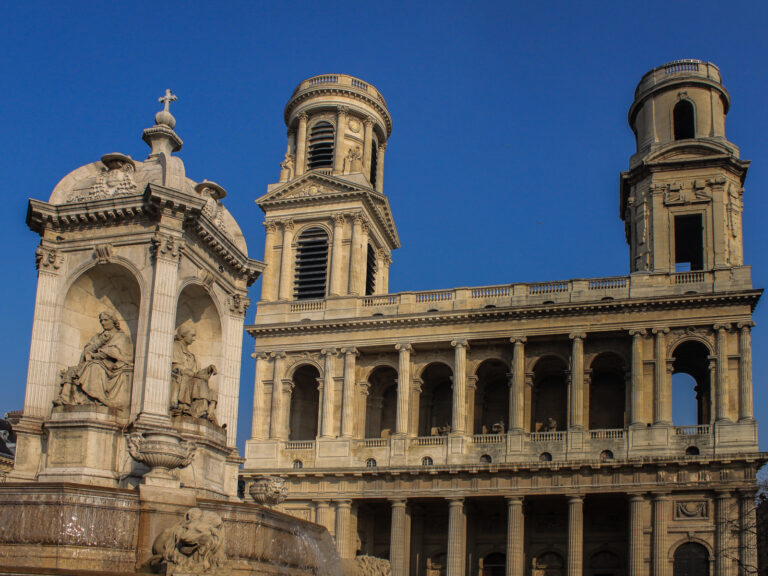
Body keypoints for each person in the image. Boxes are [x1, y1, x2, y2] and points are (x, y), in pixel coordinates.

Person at [54, 311, 133, 409]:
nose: (103, 323)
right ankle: (64, 399)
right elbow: (86, 351)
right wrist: (100, 341)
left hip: (111, 367)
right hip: (94, 362)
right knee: (73, 370)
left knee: (94, 367)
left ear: (113, 321)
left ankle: (96, 398)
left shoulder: (121, 337)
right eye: (101, 321)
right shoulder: (98, 337)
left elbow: (122, 355)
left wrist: (98, 354)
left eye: (106, 320)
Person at [171, 321, 218, 424]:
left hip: (191, 378)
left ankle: (208, 414)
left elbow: (197, 372)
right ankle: (197, 411)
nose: (194, 339)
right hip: (182, 377)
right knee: (199, 383)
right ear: (184, 335)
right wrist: (188, 372)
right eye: (192, 335)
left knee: (212, 392)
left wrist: (208, 369)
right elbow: (175, 365)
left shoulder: (192, 355)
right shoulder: (175, 347)